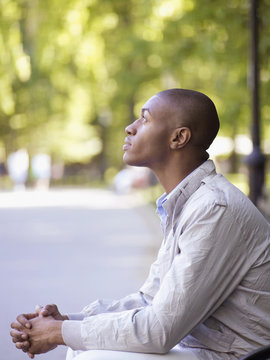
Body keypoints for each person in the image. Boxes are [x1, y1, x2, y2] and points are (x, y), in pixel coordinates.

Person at [10, 89, 270, 360]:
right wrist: (67, 321)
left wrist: (58, 332)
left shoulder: (214, 208)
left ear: (178, 137)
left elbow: (159, 330)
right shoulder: (188, 203)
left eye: (144, 119)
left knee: (91, 356)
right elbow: (149, 300)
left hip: (239, 356)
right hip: (200, 347)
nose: (130, 128)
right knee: (82, 349)